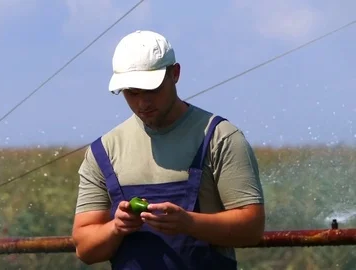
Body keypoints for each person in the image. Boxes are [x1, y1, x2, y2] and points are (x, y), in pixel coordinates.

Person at [71, 30, 265, 269]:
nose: (143, 103)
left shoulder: (220, 137)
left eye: (152, 89)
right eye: (132, 92)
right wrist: (116, 227)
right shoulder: (104, 151)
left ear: (175, 74)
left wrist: (189, 223)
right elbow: (85, 248)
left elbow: (252, 228)